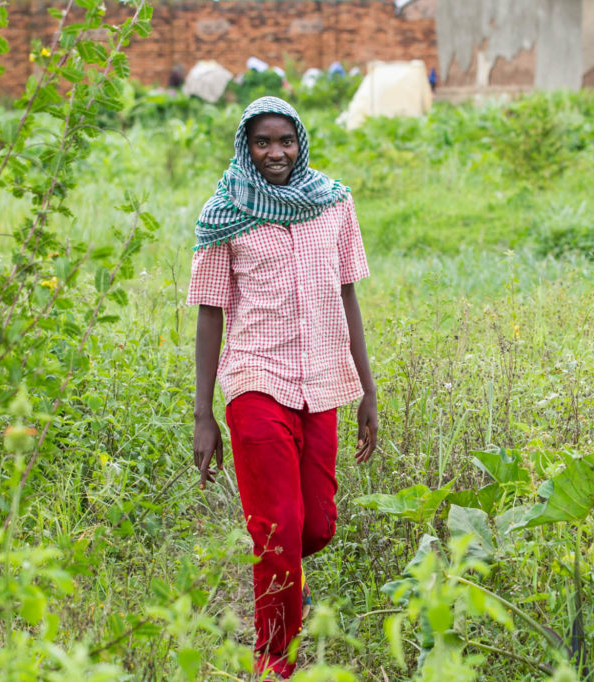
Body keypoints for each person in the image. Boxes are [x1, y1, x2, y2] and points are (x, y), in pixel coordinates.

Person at [187, 96, 378, 679]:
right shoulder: (224, 213)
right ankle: (275, 659)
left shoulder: (334, 205)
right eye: (262, 143)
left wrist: (367, 390)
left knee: (316, 525)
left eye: (285, 141)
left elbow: (348, 295)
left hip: (322, 380)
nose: (275, 153)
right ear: (246, 147)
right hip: (255, 380)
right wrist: (202, 414)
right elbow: (209, 313)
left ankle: (288, 587)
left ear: (301, 142)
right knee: (277, 529)